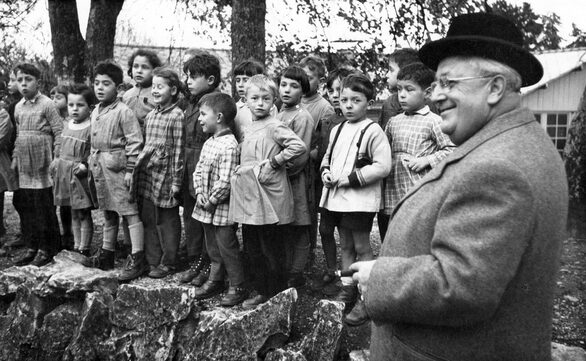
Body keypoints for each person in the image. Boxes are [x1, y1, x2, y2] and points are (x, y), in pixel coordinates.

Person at [350, 13, 568, 361]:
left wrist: (379, 276)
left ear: (495, 88)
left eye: (449, 83)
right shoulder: (509, 143)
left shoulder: (499, 166)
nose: (437, 96)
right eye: (436, 84)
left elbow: (463, 285)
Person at [319, 72, 391, 326]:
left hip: (359, 200)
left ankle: (366, 295)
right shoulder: (338, 129)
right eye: (344, 100)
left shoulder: (373, 131)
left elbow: (383, 166)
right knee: (345, 244)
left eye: (356, 100)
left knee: (361, 246)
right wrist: (326, 172)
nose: (348, 105)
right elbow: (328, 158)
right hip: (338, 199)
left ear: (368, 103)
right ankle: (347, 287)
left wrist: (351, 178)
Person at [229, 74, 306, 309]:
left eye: (265, 98)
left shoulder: (275, 125)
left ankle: (276, 293)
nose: (260, 103)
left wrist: (275, 162)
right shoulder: (247, 127)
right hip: (251, 194)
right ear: (246, 100)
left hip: (271, 195)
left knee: (271, 246)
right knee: (252, 245)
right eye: (255, 98)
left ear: (273, 101)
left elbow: (298, 146)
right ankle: (261, 289)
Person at [379, 62, 454, 240]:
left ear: (427, 92)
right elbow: (382, 150)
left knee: (416, 233)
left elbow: (453, 148)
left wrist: (427, 160)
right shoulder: (393, 122)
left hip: (418, 189)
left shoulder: (434, 121)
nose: (402, 95)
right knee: (393, 233)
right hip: (392, 188)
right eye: (399, 89)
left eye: (409, 90)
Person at [88, 61, 145, 281]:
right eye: (96, 83)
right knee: (107, 211)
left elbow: (134, 143)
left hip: (118, 169)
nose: (100, 88)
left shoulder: (123, 112)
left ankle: (137, 257)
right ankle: (107, 253)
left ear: (117, 87)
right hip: (100, 167)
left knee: (129, 211)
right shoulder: (96, 111)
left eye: (106, 83)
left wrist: (130, 170)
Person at [191, 92, 247, 307]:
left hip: (221, 208)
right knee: (212, 245)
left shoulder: (229, 146)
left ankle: (237, 284)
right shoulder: (209, 142)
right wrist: (200, 193)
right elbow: (198, 171)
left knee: (227, 247)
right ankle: (216, 279)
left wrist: (212, 200)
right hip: (205, 205)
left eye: (204, 114)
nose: (200, 118)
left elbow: (226, 181)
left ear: (220, 117)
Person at [133, 67, 184, 279]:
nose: (155, 91)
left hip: (166, 175)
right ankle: (153, 259)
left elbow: (179, 150)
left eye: (160, 87)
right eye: (153, 87)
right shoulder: (151, 115)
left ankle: (169, 261)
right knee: (149, 217)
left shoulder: (176, 115)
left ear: (173, 90)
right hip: (149, 173)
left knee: (167, 220)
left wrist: (176, 181)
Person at [11, 62, 63, 267]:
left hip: (42, 161)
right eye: (19, 80)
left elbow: (59, 132)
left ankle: (47, 247)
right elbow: (18, 134)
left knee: (43, 205)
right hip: (25, 162)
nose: (23, 84)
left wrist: (57, 157)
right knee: (28, 206)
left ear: (38, 82)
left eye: (28, 80)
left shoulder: (47, 104)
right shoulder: (18, 107)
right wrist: (15, 157)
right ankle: (32, 245)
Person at [176, 51, 219, 286]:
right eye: (187, 76)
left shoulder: (214, 102)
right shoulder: (190, 103)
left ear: (210, 80)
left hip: (206, 169)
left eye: (193, 77)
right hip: (188, 167)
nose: (188, 81)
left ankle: (210, 264)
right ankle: (195, 261)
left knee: (206, 221)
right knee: (191, 219)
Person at [314, 67, 352, 295]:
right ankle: (330, 267)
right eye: (332, 90)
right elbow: (322, 150)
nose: (335, 94)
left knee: (347, 234)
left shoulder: (357, 121)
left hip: (346, 186)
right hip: (326, 182)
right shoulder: (329, 119)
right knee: (325, 228)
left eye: (341, 90)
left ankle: (349, 277)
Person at [276, 65, 314, 288]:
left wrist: (280, 169)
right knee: (284, 226)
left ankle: (297, 272)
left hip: (294, 180)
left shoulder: (303, 117)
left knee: (299, 226)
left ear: (303, 91)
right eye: (283, 85)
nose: (287, 90)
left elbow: (300, 155)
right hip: (279, 181)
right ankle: (285, 267)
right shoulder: (278, 113)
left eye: (294, 86)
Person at [52, 84, 97, 256]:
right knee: (73, 212)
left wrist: (85, 164)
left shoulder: (90, 127)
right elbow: (62, 146)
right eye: (71, 105)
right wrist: (57, 162)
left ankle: (84, 247)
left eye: (80, 105)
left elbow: (93, 151)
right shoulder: (67, 124)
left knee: (83, 212)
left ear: (90, 107)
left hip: (79, 175)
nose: (75, 109)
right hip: (65, 173)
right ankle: (76, 245)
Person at [299, 55, 335, 258]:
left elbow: (323, 145)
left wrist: (304, 156)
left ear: (321, 81)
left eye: (310, 77)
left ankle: (308, 253)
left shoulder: (324, 108)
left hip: (310, 167)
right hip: (290, 166)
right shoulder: (291, 100)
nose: (304, 82)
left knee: (308, 210)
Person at [50, 84, 74, 250]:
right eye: (52, 97)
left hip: (69, 163)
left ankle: (70, 234)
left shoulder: (72, 119)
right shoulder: (53, 119)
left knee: (69, 202)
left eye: (58, 97)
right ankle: (60, 234)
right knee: (57, 202)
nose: (54, 101)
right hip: (54, 163)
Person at [232, 59, 277, 142]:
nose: (240, 85)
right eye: (238, 80)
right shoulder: (235, 107)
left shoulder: (269, 107)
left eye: (245, 80)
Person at [378, 48, 421, 131]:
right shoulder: (390, 102)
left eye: (391, 70)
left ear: (405, 71)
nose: (387, 75)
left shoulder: (427, 103)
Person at [122, 49, 162, 134]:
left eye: (145, 67)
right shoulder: (127, 95)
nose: (139, 71)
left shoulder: (158, 94)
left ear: (154, 70)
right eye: (135, 66)